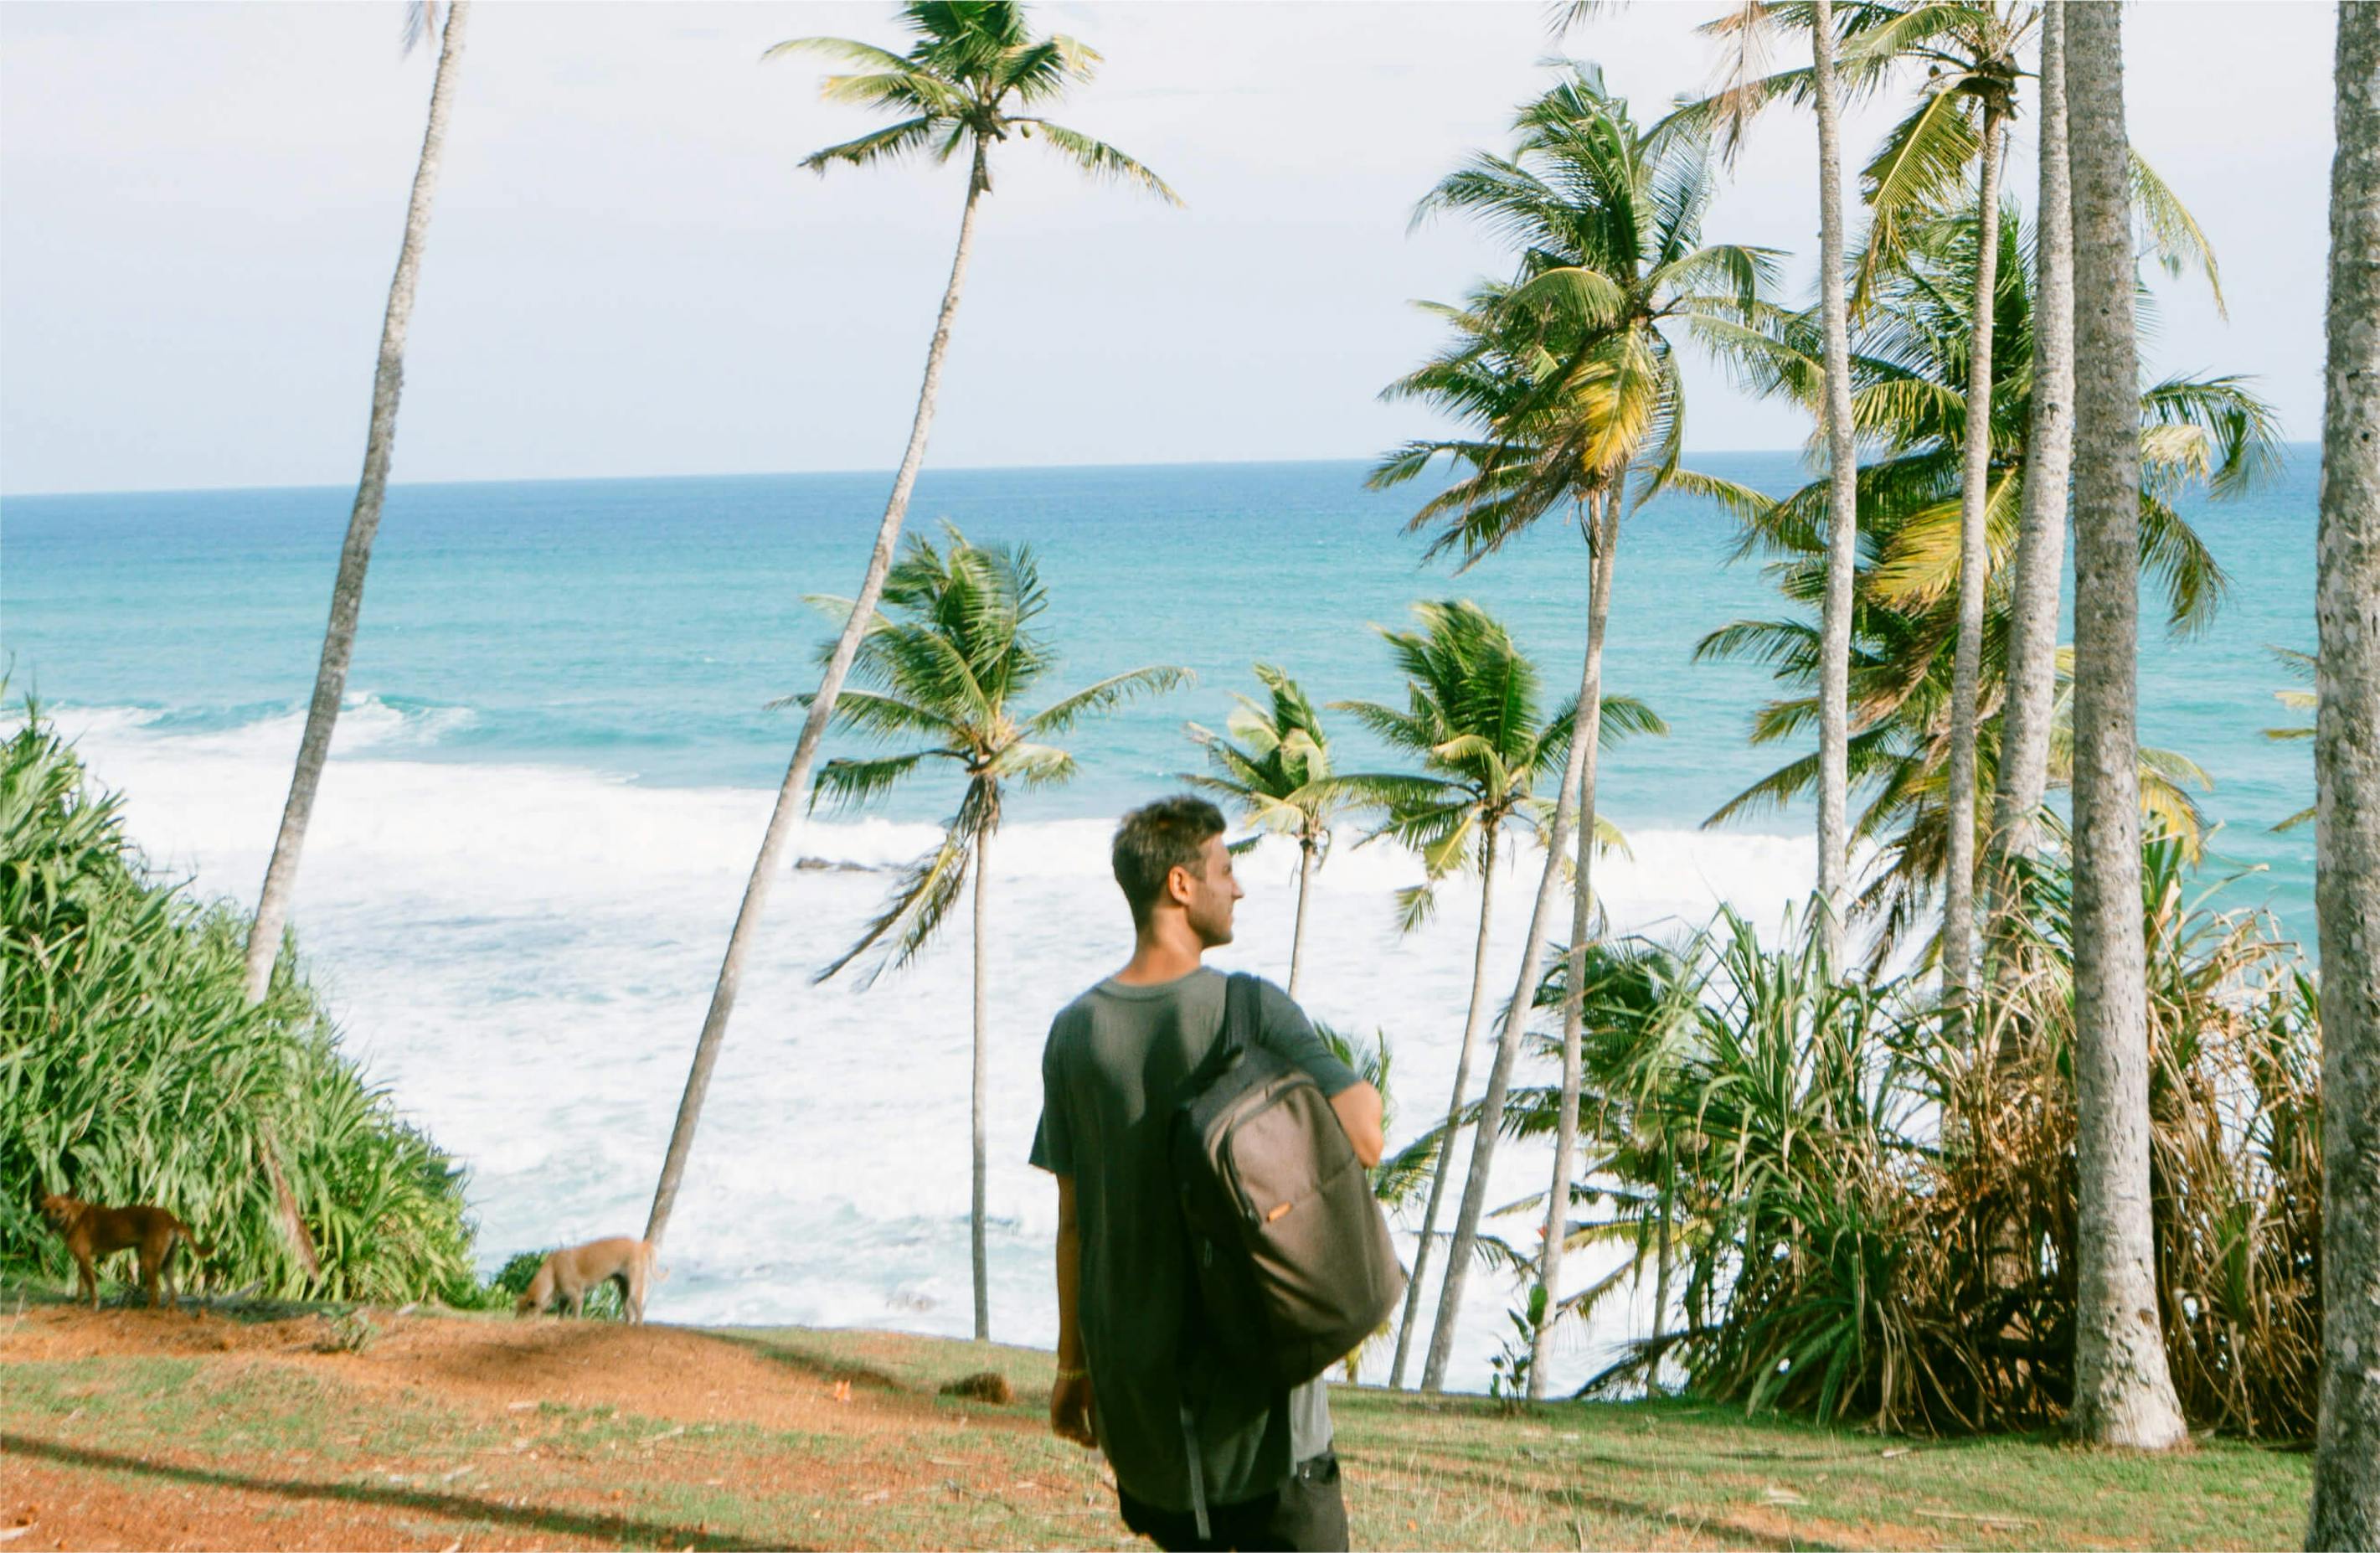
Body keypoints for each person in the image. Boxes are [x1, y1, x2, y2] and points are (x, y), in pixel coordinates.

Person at [1032, 795, 1386, 1553]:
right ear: (1181, 887)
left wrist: (1073, 1367)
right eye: (1226, 869)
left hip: (1143, 1410)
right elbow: (1364, 1131)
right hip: (1260, 1408)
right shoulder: (1247, 1008)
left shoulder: (1074, 1031)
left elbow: (1073, 1222)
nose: (1239, 888)